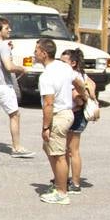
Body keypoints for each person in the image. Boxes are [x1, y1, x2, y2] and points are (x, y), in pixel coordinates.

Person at [34, 37, 86, 205]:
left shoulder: (46, 76)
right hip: (67, 113)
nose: (34, 54)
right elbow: (78, 82)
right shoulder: (63, 67)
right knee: (51, 151)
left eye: (36, 51)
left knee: (59, 156)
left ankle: (62, 192)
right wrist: (82, 95)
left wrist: (45, 126)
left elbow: (48, 103)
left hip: (58, 115)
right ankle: (58, 185)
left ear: (43, 53)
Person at [0, 17, 35, 158]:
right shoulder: (4, 46)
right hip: (3, 85)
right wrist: (22, 69)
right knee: (14, 115)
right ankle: (17, 147)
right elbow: (8, 66)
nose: (10, 30)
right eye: (6, 28)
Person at [61, 48, 96, 193]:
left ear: (73, 63)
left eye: (64, 62)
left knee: (72, 151)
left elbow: (80, 99)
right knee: (67, 149)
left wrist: (78, 97)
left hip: (77, 114)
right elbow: (92, 84)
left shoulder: (73, 76)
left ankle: (75, 183)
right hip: (75, 114)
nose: (61, 65)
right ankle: (65, 177)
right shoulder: (81, 74)